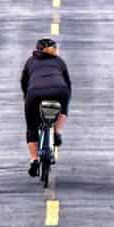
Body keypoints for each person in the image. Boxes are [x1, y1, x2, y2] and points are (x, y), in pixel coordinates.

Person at [20, 36, 71, 177]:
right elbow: (68, 83)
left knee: (31, 127)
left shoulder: (30, 61)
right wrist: (66, 101)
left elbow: (24, 82)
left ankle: (34, 160)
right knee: (64, 107)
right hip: (60, 91)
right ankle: (57, 132)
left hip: (35, 93)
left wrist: (27, 98)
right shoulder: (59, 61)